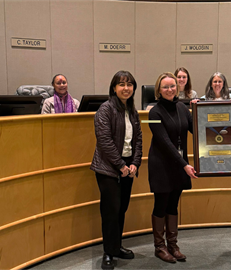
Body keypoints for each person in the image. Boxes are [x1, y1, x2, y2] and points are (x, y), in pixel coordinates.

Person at [90, 70, 142, 270]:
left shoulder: (133, 111)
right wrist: (120, 165)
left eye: (129, 84)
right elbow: (104, 141)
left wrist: (135, 163)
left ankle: (117, 246)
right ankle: (108, 252)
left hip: (128, 167)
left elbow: (138, 140)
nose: (126, 88)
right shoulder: (106, 109)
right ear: (114, 87)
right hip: (108, 168)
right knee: (111, 211)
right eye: (122, 84)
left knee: (122, 208)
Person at [148, 72, 197, 263]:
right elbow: (164, 142)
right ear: (158, 90)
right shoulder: (153, 113)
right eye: (165, 87)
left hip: (179, 164)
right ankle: (159, 247)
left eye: (172, 86)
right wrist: (185, 164)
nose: (170, 90)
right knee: (161, 204)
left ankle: (173, 245)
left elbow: (198, 130)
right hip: (161, 165)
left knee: (173, 204)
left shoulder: (183, 109)